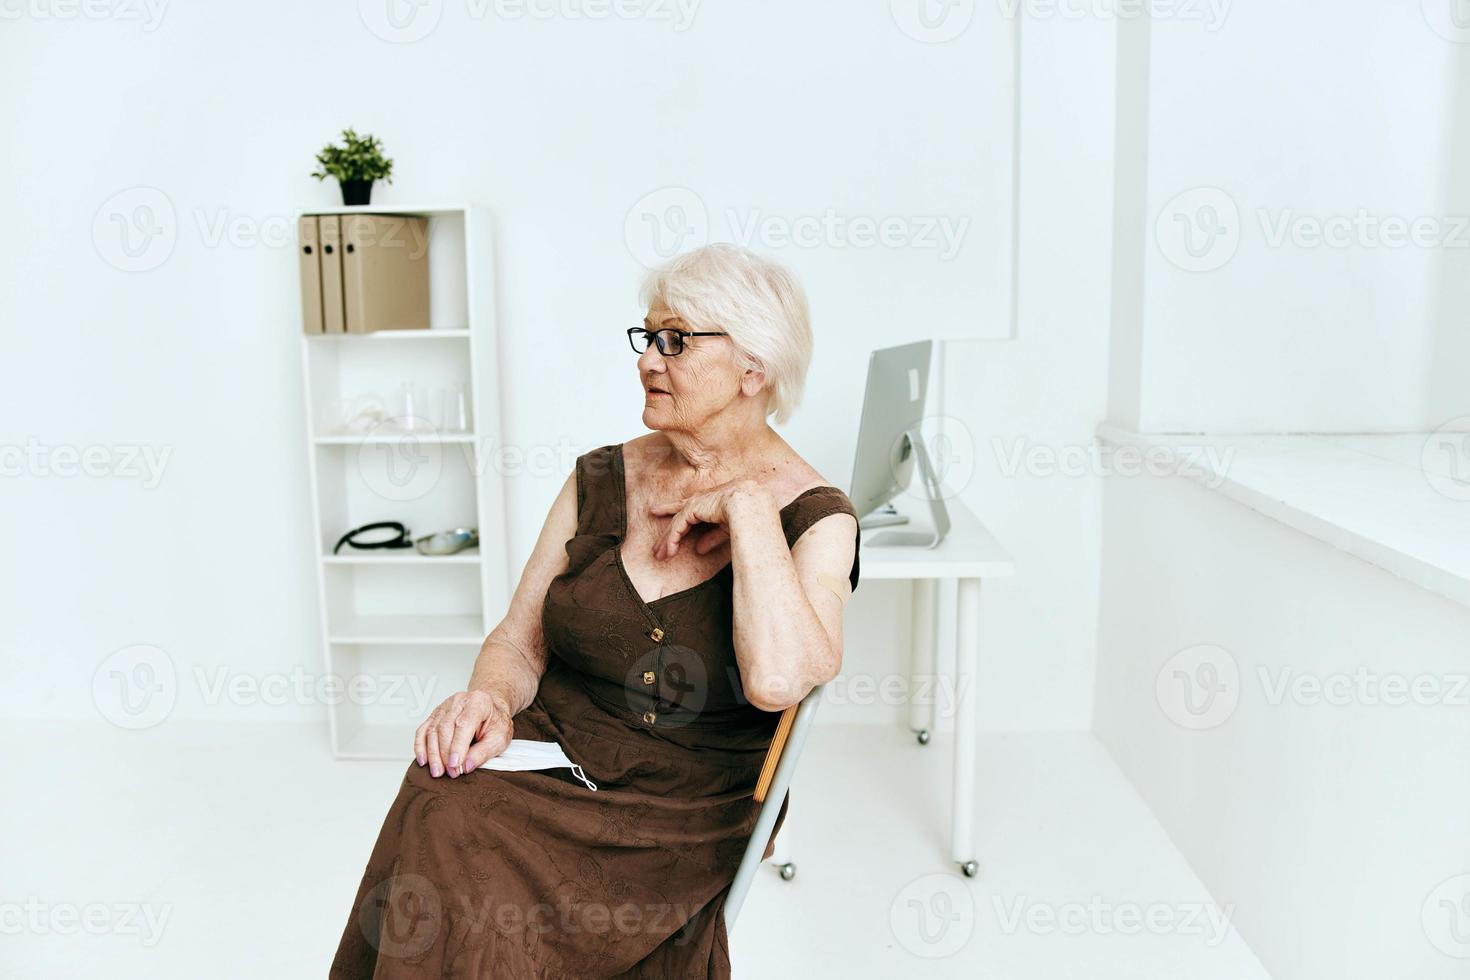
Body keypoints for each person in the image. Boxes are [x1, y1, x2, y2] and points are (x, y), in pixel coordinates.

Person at [330, 243, 861, 979]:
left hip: (685, 810)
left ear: (754, 369)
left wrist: (746, 509)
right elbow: (519, 640)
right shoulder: (603, 475)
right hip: (559, 756)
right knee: (440, 790)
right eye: (648, 337)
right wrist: (486, 695)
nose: (648, 360)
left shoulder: (816, 517)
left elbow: (779, 681)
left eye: (676, 341)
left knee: (471, 846)